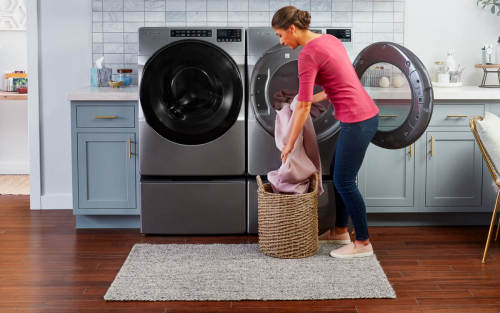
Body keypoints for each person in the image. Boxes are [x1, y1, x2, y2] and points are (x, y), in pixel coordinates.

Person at [272, 6, 380, 259]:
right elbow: (339, 85)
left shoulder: (307, 55)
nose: (281, 41)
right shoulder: (329, 40)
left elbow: (304, 107)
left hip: (358, 120)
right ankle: (341, 231)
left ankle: (363, 243)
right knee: (340, 176)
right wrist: (303, 98)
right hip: (364, 115)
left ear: (292, 28)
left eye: (279, 35)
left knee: (344, 181)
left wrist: (288, 143)